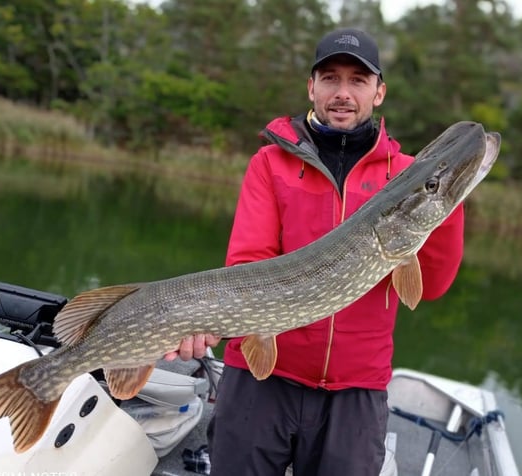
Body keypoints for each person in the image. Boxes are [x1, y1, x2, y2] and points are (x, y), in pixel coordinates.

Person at [165, 28, 465, 475]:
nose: (343, 93)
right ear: (312, 87)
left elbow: (433, 285)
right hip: (260, 378)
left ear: (379, 92)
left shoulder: (404, 176)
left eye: (358, 81)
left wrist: (446, 201)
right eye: (330, 78)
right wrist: (202, 321)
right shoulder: (270, 164)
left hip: (356, 391)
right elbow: (248, 266)